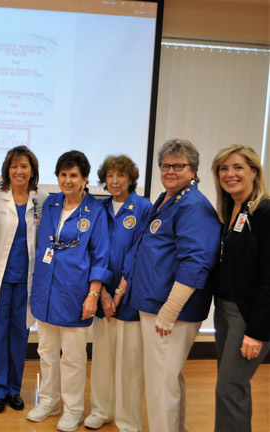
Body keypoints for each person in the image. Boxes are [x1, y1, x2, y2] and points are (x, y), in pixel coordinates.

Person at [121, 139, 220, 432]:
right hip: (154, 303)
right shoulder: (168, 198)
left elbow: (196, 262)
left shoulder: (193, 206)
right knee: (167, 379)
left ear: (193, 169)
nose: (170, 171)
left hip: (170, 311)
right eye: (166, 165)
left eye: (179, 166)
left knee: (160, 384)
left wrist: (169, 310)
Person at [27, 150, 110, 432]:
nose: (68, 180)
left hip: (75, 293)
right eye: (63, 175)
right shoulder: (51, 204)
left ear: (85, 178)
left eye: (74, 175)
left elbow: (101, 257)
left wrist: (93, 294)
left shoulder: (95, 211)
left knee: (73, 357)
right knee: (46, 351)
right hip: (45, 290)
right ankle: (48, 401)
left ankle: (73, 409)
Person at [84, 155, 152, 431]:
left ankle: (128, 420)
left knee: (130, 363)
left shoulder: (144, 208)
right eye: (110, 176)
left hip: (130, 297)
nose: (114, 181)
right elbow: (93, 252)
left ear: (131, 178)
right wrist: (102, 295)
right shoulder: (99, 209)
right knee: (101, 358)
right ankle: (101, 410)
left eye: (120, 175)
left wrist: (120, 292)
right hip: (103, 296)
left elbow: (139, 253)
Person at [0, 146, 48, 414]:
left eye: (24, 166)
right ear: (6, 170)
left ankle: (13, 390)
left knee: (20, 335)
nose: (19, 171)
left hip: (27, 280)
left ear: (32, 170)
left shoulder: (41, 199)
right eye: (14, 166)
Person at [211, 145, 270, 432]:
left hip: (248, 317)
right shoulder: (231, 208)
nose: (229, 174)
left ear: (254, 172)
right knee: (234, 388)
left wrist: (257, 332)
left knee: (228, 388)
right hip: (223, 311)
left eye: (237, 167)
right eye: (223, 168)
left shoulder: (265, 212)